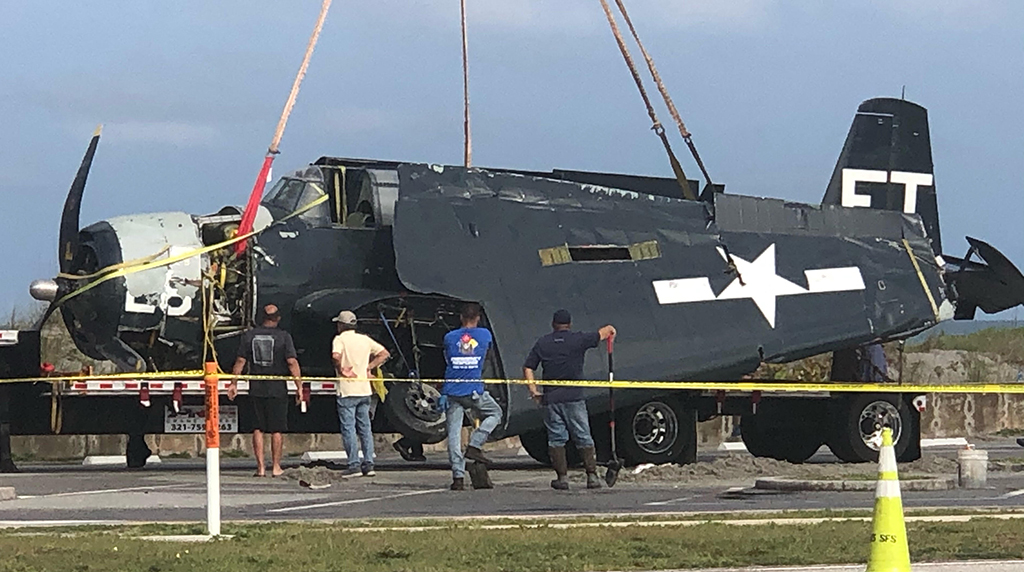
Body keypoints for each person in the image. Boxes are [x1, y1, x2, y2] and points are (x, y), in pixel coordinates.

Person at [524, 309, 615, 490]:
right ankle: (592, 476)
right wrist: (611, 330)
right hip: (574, 398)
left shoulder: (543, 343)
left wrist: (533, 390)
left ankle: (562, 478)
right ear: (570, 324)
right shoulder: (578, 339)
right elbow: (604, 332)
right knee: (583, 435)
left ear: (553, 324)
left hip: (551, 399)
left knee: (556, 438)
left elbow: (528, 367)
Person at [228, 304, 302, 477]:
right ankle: (276, 466)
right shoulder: (284, 337)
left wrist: (234, 383)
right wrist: (299, 386)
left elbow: (240, 361)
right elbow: (292, 362)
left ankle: (260, 467)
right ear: (277, 318)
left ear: (261, 317)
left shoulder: (249, 335)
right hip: (277, 388)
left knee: (257, 428)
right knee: (277, 429)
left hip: (257, 387)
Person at [441, 302, 502, 491]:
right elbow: (488, 355)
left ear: (461, 317)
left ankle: (457, 477)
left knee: (453, 434)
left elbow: (447, 359)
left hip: (452, 390)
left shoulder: (450, 337)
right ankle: (475, 444)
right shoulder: (484, 335)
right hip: (474, 390)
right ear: (477, 318)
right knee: (495, 413)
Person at [331, 310, 391, 477]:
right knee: (365, 428)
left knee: (349, 428)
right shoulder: (365, 339)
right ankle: (369, 463)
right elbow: (384, 353)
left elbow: (336, 356)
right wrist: (369, 367)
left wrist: (341, 368)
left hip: (347, 389)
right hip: (364, 389)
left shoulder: (339, 339)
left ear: (341, 325)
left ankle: (353, 464)